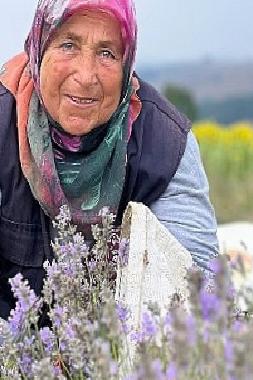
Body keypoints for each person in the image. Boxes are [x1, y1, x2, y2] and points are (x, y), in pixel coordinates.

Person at [0, 0, 219, 319]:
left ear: (127, 63)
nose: (86, 76)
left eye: (107, 53)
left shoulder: (164, 143)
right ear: (39, 48)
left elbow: (195, 294)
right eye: (68, 45)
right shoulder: (4, 119)